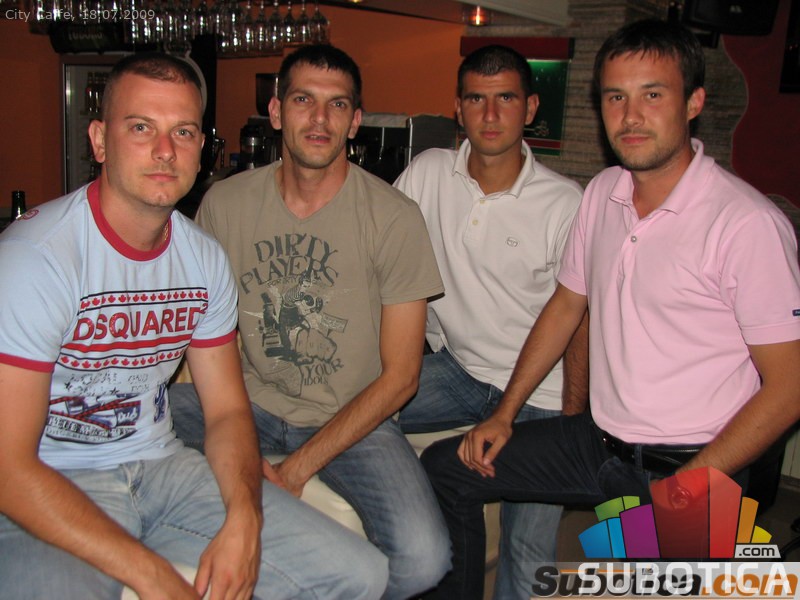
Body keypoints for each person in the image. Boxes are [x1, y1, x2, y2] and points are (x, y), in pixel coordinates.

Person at [420, 18, 800, 599]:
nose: (631, 116)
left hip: (697, 462)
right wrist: (506, 413)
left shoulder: (746, 224)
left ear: (694, 103)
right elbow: (565, 306)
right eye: (615, 97)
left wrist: (689, 487)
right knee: (450, 468)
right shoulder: (602, 193)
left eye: (653, 95)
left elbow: (789, 387)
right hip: (598, 443)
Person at [0, 52, 388, 600]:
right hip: (53, 479)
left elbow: (226, 410)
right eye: (141, 127)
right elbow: (9, 467)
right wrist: (154, 575)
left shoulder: (202, 258)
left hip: (161, 468)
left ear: (201, 147)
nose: (165, 151)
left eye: (182, 132)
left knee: (361, 574)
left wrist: (245, 515)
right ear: (100, 140)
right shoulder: (36, 259)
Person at [169, 44, 451, 599]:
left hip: (352, 419)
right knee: (125, 431)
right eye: (303, 100)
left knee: (425, 558)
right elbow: (193, 326)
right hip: (244, 403)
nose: (320, 119)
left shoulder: (393, 218)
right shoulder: (225, 204)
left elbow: (402, 378)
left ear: (355, 122)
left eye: (337, 105)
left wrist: (296, 470)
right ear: (276, 112)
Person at [393, 44, 587, 600]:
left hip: (540, 392)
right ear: (458, 108)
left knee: (527, 547)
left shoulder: (564, 203)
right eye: (477, 99)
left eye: (506, 99)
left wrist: (571, 421)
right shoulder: (428, 172)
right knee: (350, 411)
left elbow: (580, 319)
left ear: (530, 108)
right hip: (459, 369)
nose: (491, 114)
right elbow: (382, 252)